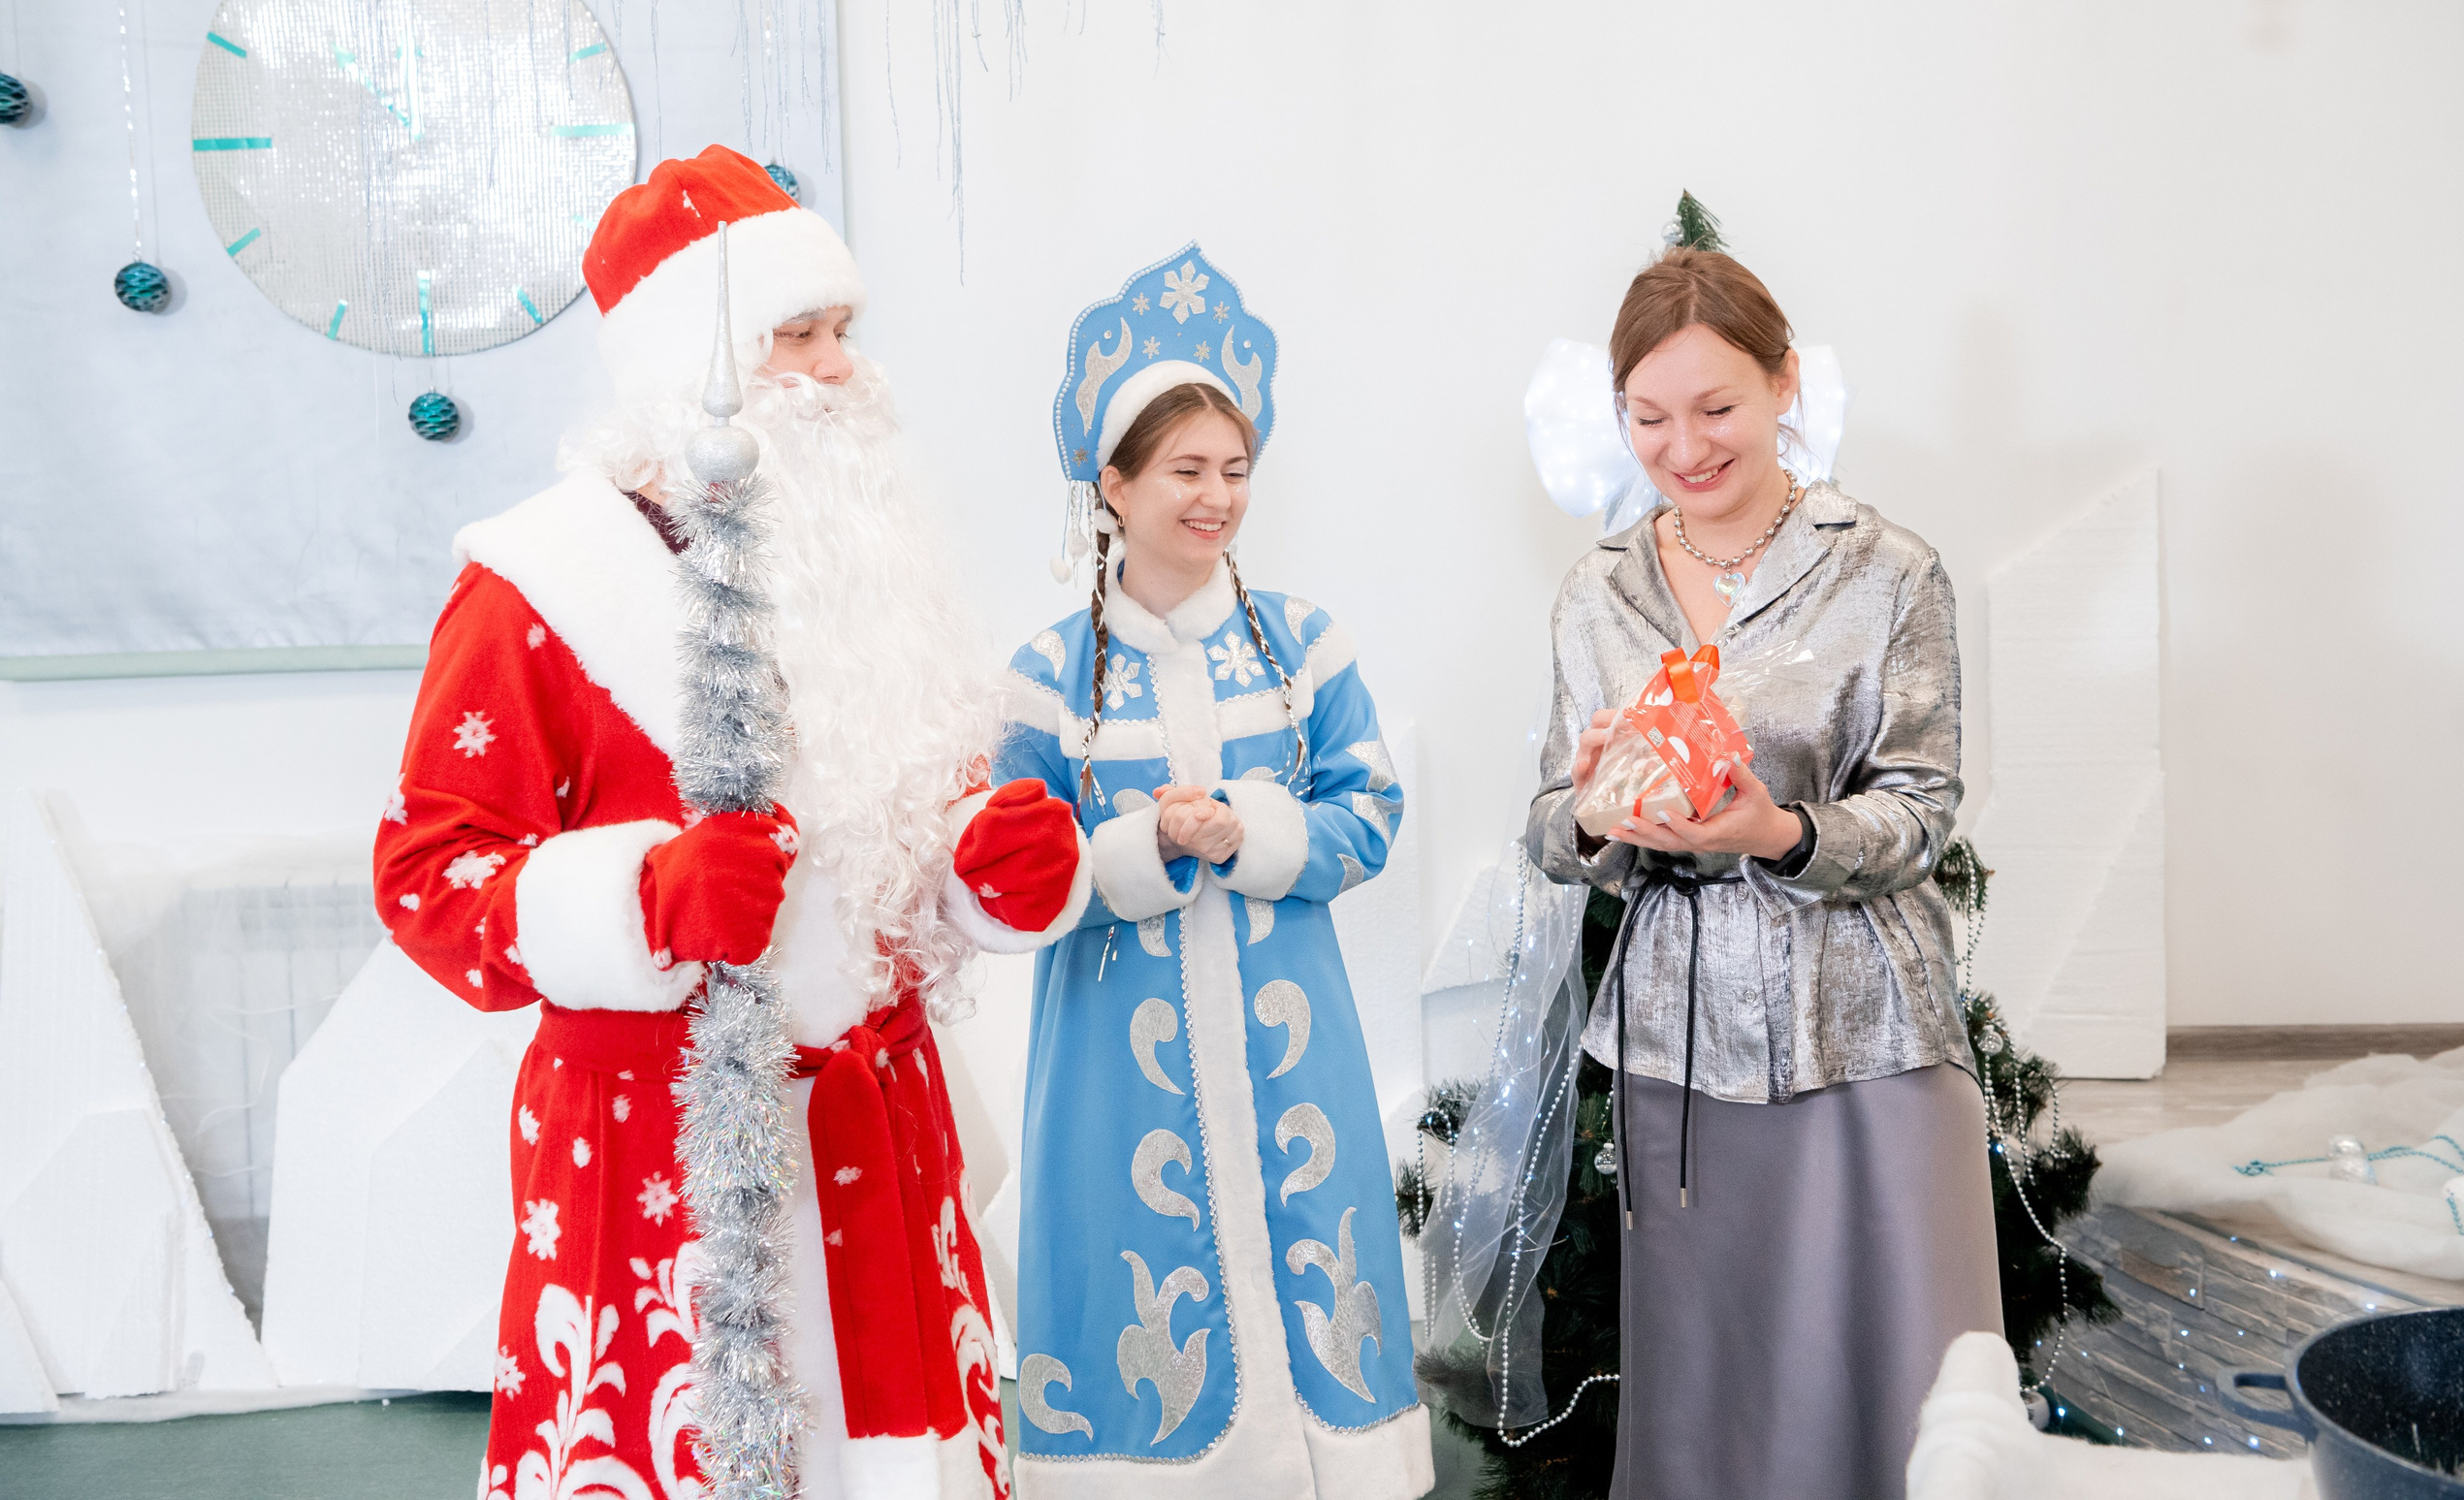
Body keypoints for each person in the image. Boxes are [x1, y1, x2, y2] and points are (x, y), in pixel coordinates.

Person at [373, 145, 1087, 1500]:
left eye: (843, 332)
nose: (839, 372)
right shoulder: (542, 585)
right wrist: (643, 899)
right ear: (686, 371)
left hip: (878, 1125)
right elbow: (427, 879)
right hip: (660, 1149)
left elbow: (891, 847)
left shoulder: (855, 570)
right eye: (795, 337)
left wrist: (981, 867)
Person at [1524, 239, 2002, 1499]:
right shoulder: (1598, 595)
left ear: (1785, 382)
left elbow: (1920, 810)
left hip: (1872, 1041)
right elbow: (1548, 821)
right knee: (1718, 1414)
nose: (1685, 446)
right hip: (1684, 1062)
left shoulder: (1889, 570)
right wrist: (1594, 809)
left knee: (1909, 1394)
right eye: (1649, 416)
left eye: (1717, 406)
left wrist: (1777, 833)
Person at [989, 248, 1433, 1500]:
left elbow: (1373, 810)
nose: (1217, 496)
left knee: (1313, 1249)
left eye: (1235, 471)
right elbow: (1009, 881)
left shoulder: (1303, 645)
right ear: (1114, 484)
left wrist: (1250, 827)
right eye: (1186, 471)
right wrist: (1139, 851)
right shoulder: (1044, 673)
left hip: (1293, 1031)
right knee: (1136, 1264)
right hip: (1110, 1058)